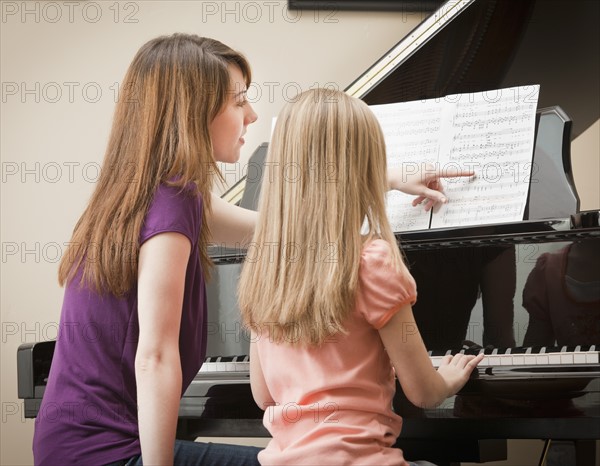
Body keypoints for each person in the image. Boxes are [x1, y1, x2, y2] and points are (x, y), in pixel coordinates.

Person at [32, 34, 261, 466]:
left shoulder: (148, 190)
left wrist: (386, 178)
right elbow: (154, 358)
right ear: (193, 114)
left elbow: (278, 229)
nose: (252, 114)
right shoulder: (173, 200)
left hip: (72, 447)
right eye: (239, 101)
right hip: (104, 455)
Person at [237, 88, 484, 466]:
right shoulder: (371, 261)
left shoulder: (263, 265)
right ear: (370, 167)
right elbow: (423, 392)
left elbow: (264, 397)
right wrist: (449, 378)